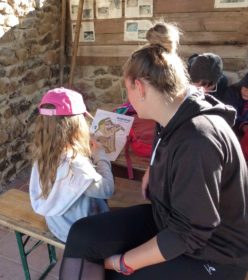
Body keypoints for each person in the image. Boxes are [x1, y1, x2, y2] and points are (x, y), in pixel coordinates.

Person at [59, 21, 248, 280]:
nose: (128, 98)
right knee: (82, 235)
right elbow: (164, 144)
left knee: (114, 274)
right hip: (169, 217)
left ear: (140, 87)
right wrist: (152, 168)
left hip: (213, 252)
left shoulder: (198, 140)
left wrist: (122, 262)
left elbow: (189, 233)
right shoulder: (172, 109)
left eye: (127, 89)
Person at [29, 87, 114, 243]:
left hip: (57, 226)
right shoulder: (76, 167)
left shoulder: (42, 156)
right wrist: (101, 156)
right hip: (78, 233)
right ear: (76, 125)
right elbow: (107, 190)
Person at [224, 73, 248, 160]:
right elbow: (230, 114)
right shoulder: (231, 93)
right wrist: (243, 125)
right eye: (245, 88)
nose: (246, 92)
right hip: (231, 128)